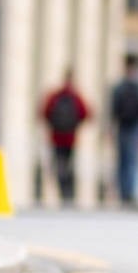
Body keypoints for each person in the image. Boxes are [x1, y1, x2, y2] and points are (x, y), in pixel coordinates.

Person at [41, 68, 91, 205]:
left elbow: (44, 112)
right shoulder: (76, 96)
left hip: (56, 137)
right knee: (69, 165)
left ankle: (62, 189)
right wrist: (76, 125)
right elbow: (86, 114)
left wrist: (53, 125)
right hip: (71, 138)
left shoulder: (55, 95)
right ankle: (68, 192)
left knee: (59, 164)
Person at [110, 55, 138, 206]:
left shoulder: (121, 87)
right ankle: (127, 192)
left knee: (127, 160)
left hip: (129, 127)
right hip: (131, 127)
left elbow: (113, 109)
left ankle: (126, 192)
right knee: (128, 160)